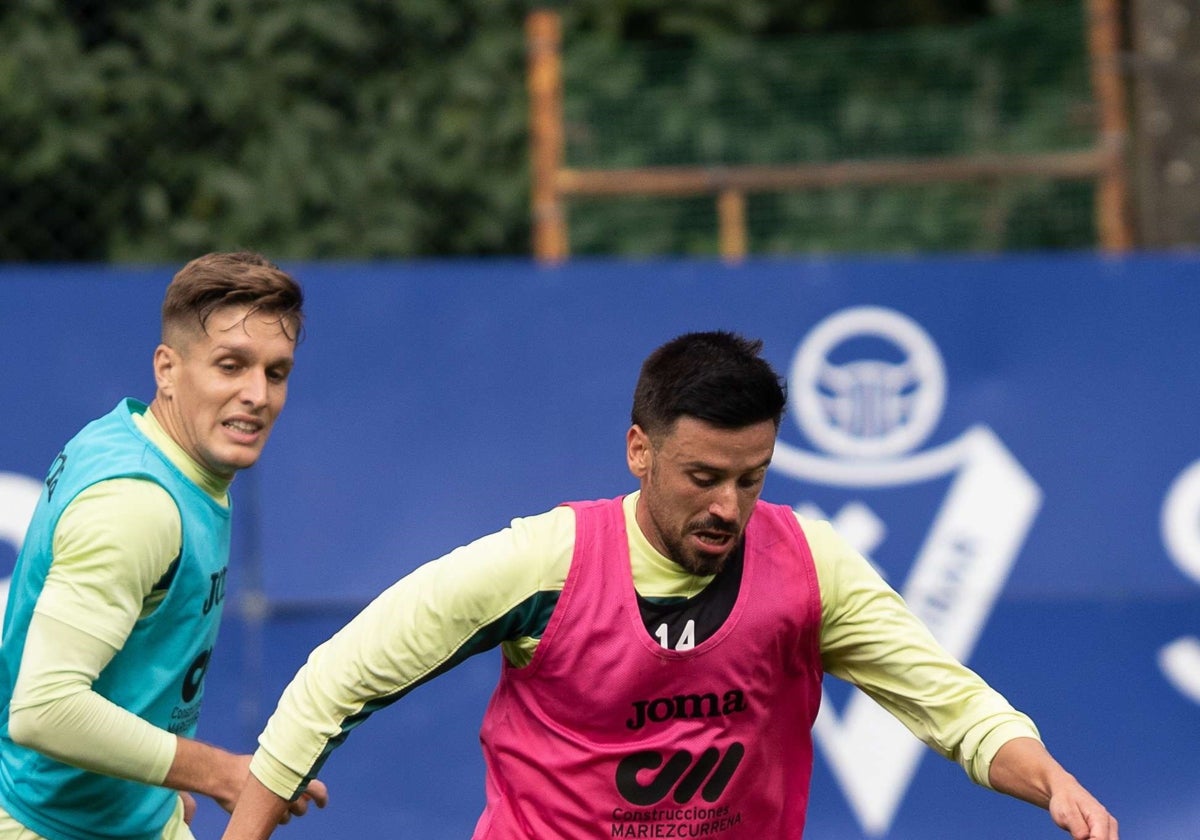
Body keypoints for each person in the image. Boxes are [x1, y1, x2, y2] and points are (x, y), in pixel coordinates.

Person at [223, 330, 1116, 839]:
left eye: (753, 476)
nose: (729, 505)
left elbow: (952, 707)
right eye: (702, 477)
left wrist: (1051, 783)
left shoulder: (810, 566)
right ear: (639, 451)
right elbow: (338, 678)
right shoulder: (544, 563)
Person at [0, 252, 327, 840]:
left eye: (276, 373)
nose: (257, 394)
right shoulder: (138, 506)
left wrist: (154, 783)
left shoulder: (138, 441)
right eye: (231, 365)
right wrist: (221, 774)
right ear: (167, 369)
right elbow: (43, 709)